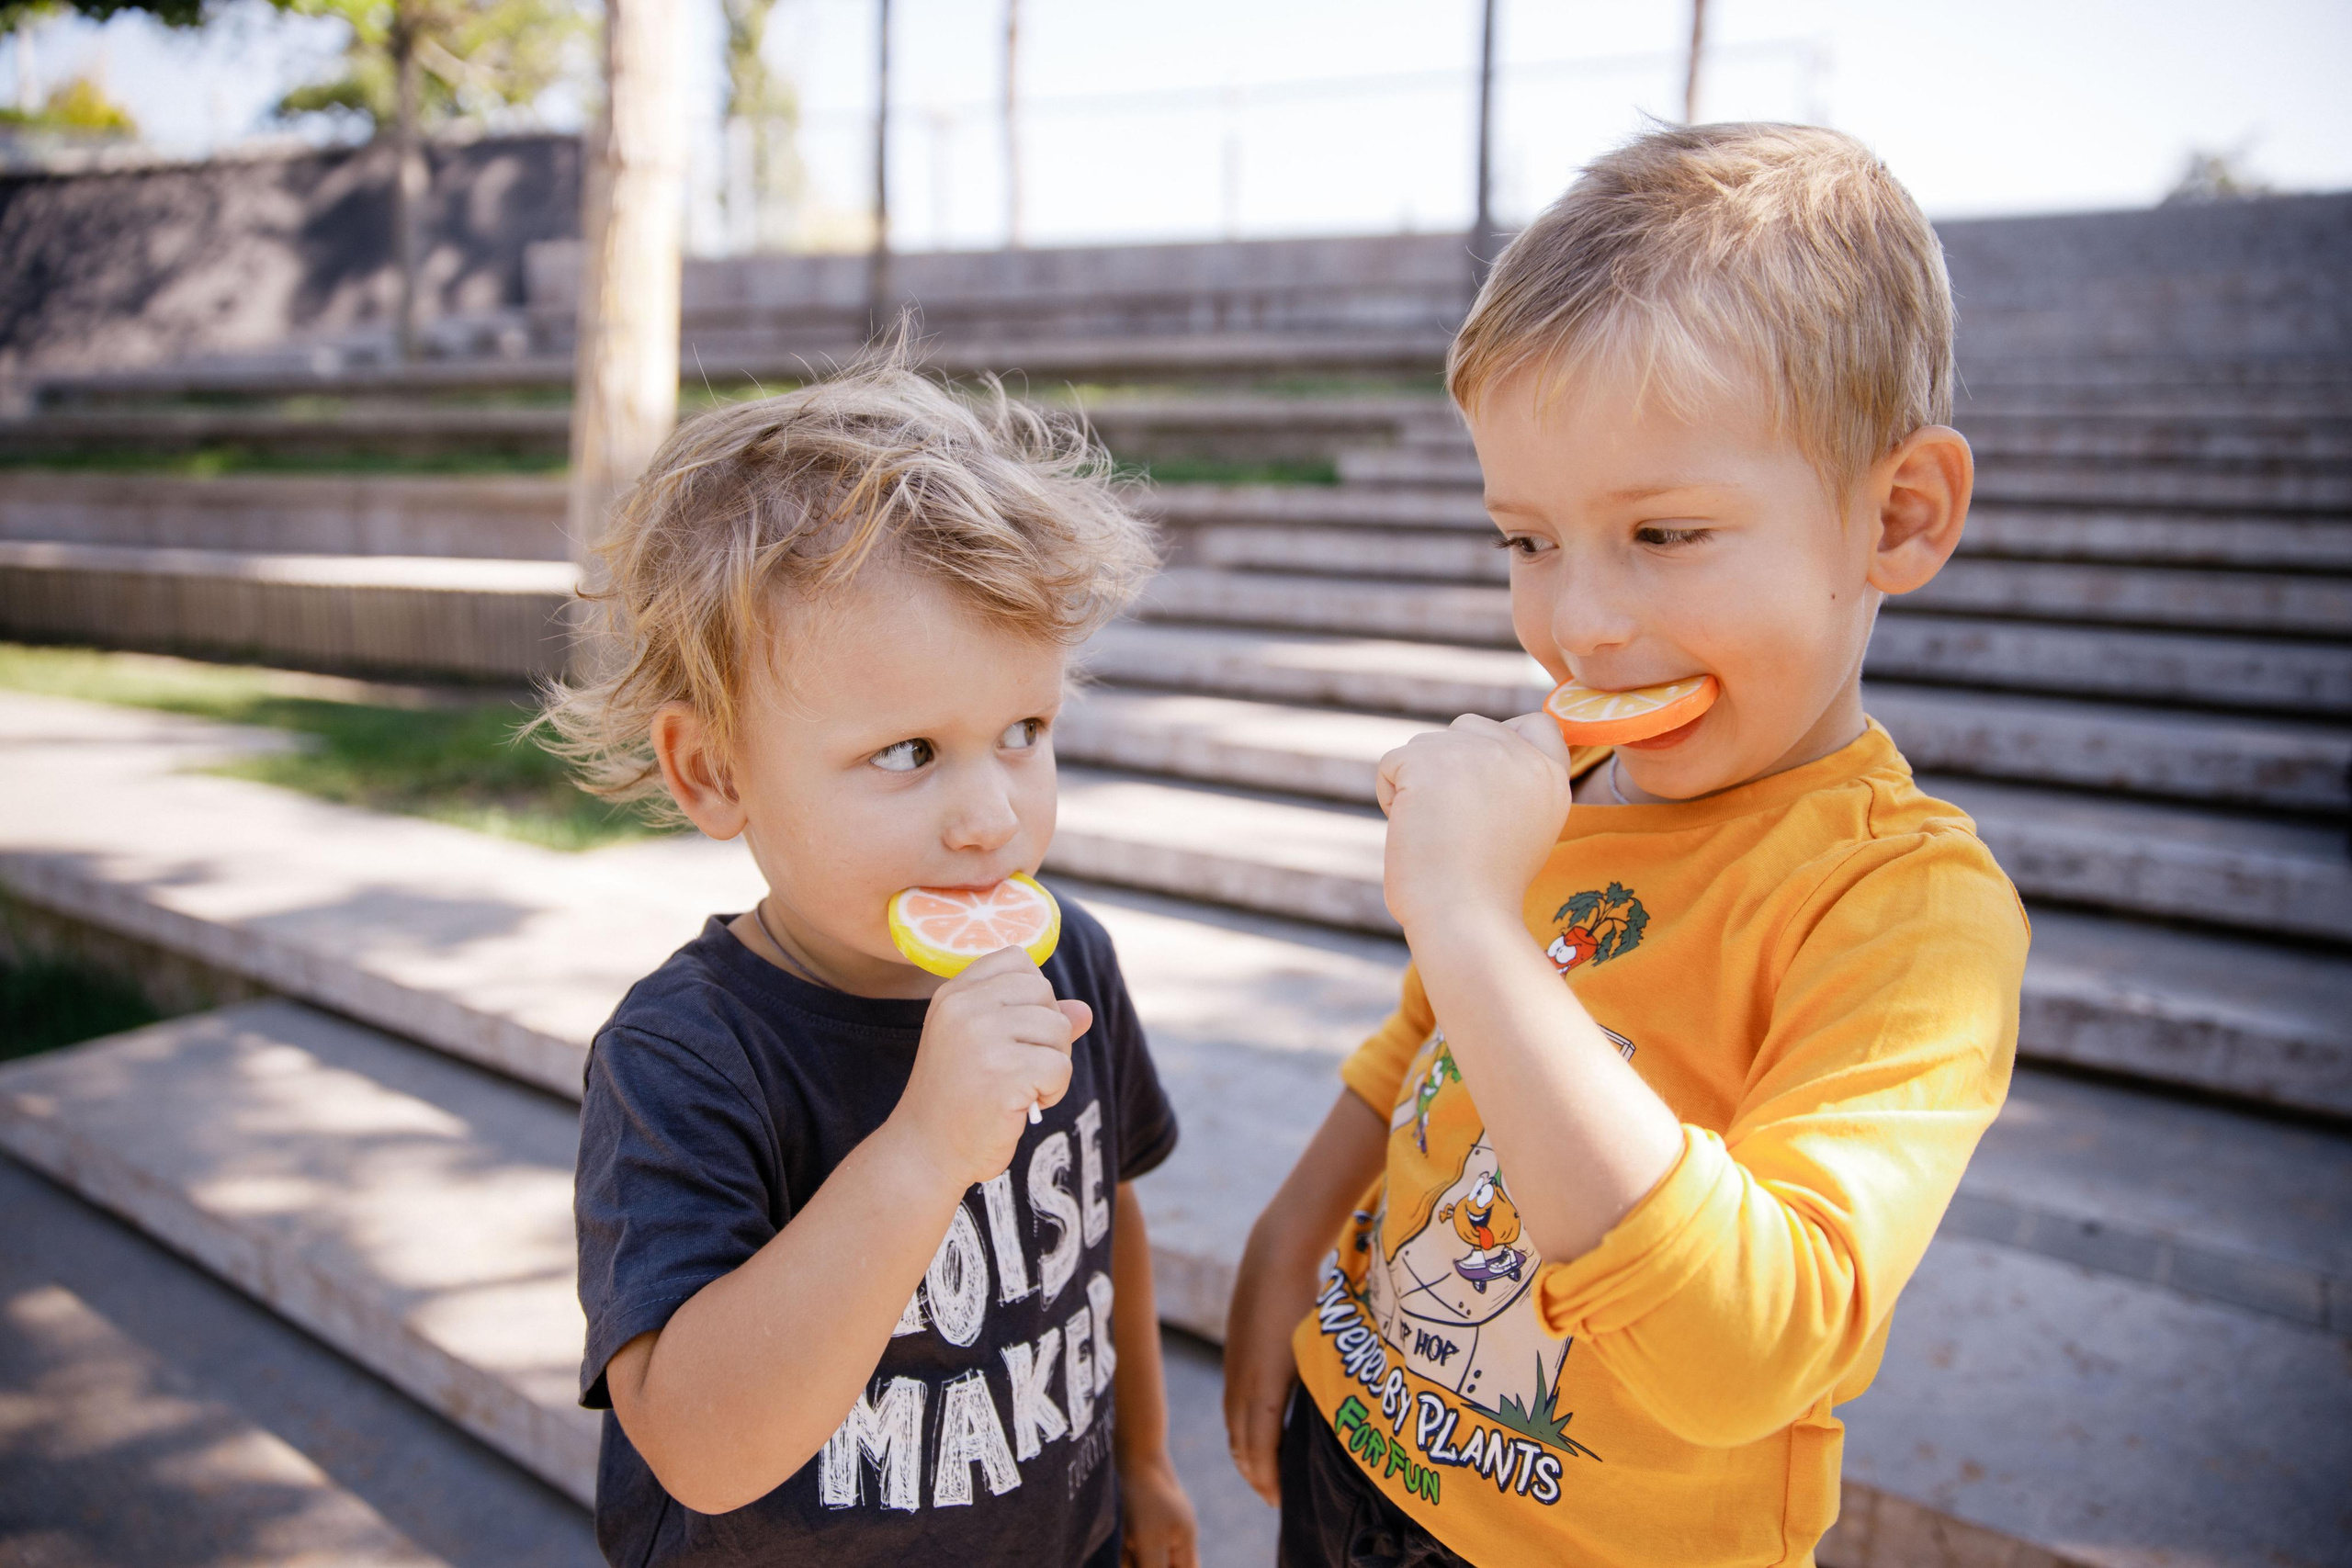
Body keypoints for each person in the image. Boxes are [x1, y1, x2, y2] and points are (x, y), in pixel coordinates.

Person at [1223, 122, 2030, 1566]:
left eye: (1663, 535)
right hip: (1353, 1450)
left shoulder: (1906, 914)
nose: (1578, 621)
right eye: (1525, 541)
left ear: (1897, 518)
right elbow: (1427, 1048)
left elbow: (1752, 1349)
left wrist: (1470, 922)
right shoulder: (1574, 787)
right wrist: (1296, 1229)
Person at [543, 358, 1198, 1567]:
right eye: (908, 752)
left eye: (1023, 733)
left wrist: (1147, 1467)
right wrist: (922, 1152)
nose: (989, 816)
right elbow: (698, 1445)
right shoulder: (684, 1060)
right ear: (713, 773)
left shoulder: (1070, 966)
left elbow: (1109, 1223)